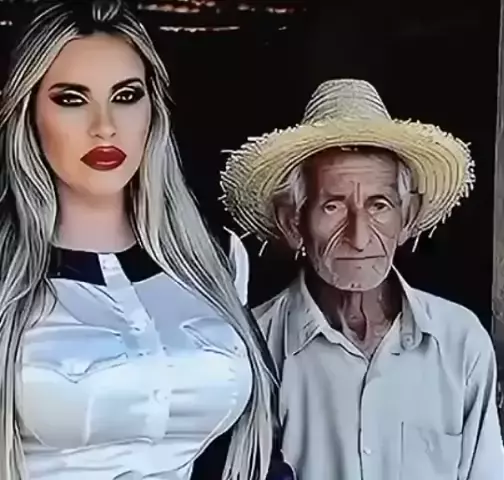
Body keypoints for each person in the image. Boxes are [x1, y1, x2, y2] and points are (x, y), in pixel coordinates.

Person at [0, 1, 294, 479]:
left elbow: (250, 452)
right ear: (28, 113)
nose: (105, 126)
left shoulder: (217, 259)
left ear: (152, 110)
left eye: (126, 95)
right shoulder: (7, 272)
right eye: (72, 99)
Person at [221, 78, 504, 479]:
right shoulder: (254, 348)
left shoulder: (459, 341)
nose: (358, 237)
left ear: (407, 218)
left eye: (379, 205)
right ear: (293, 223)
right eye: (333, 207)